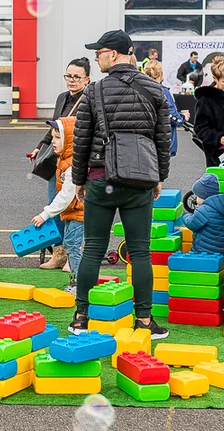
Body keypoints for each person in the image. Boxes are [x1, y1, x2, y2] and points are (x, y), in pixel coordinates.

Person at [71, 29, 172, 340]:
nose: (97, 58)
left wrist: (78, 179)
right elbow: (162, 140)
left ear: (113, 55)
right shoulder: (155, 89)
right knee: (141, 252)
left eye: (99, 53)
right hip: (140, 180)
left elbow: (81, 140)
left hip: (102, 179)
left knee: (93, 248)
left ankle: (81, 317)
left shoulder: (94, 91)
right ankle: (144, 321)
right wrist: (160, 177)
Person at [31, 58, 90, 270]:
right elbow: (54, 129)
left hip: (77, 158)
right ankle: (59, 254)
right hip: (57, 158)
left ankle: (73, 251)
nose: (71, 80)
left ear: (87, 79)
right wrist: (41, 146)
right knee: (54, 202)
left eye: (76, 77)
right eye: (68, 76)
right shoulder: (61, 98)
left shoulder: (89, 99)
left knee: (75, 206)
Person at [30, 119, 83, 292]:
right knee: (70, 244)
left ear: (71, 140)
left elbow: (66, 196)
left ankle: (79, 284)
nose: (53, 141)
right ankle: (77, 280)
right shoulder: (64, 159)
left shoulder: (72, 164)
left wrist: (44, 214)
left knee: (73, 246)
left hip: (79, 211)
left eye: (58, 137)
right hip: (72, 211)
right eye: (53, 137)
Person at [144, 60, 188, 158]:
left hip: (145, 142)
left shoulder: (141, 90)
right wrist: (183, 117)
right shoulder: (162, 91)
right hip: (162, 141)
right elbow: (171, 116)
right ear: (161, 73)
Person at [183, 173, 224, 256]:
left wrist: (185, 215)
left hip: (204, 251)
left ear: (203, 196)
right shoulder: (220, 207)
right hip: (219, 253)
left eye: (197, 196)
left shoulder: (204, 210)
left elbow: (192, 223)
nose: (196, 199)